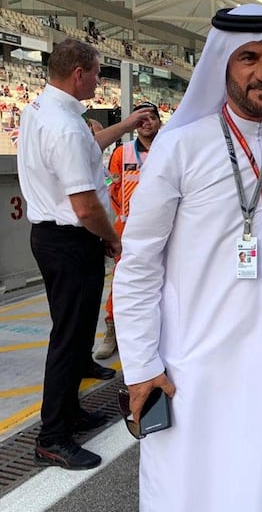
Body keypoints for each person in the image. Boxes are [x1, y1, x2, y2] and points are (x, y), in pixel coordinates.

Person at [112, 4, 262, 512]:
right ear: (223, 62)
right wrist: (140, 365)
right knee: (190, 487)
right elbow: (138, 264)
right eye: (249, 58)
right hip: (191, 361)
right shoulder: (180, 147)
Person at [17, 38, 154, 470]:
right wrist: (113, 239)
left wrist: (125, 126)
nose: (99, 79)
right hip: (73, 240)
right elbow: (85, 206)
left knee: (71, 335)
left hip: (49, 237)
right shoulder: (68, 127)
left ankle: (69, 413)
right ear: (79, 73)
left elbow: (85, 151)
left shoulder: (41, 110)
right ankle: (53, 436)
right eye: (97, 72)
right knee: (68, 340)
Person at [94, 101, 162, 360]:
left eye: (151, 117)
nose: (147, 122)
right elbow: (113, 187)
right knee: (122, 281)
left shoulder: (169, 149)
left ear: (159, 121)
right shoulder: (121, 154)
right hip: (128, 229)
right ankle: (112, 329)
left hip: (164, 228)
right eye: (140, 118)